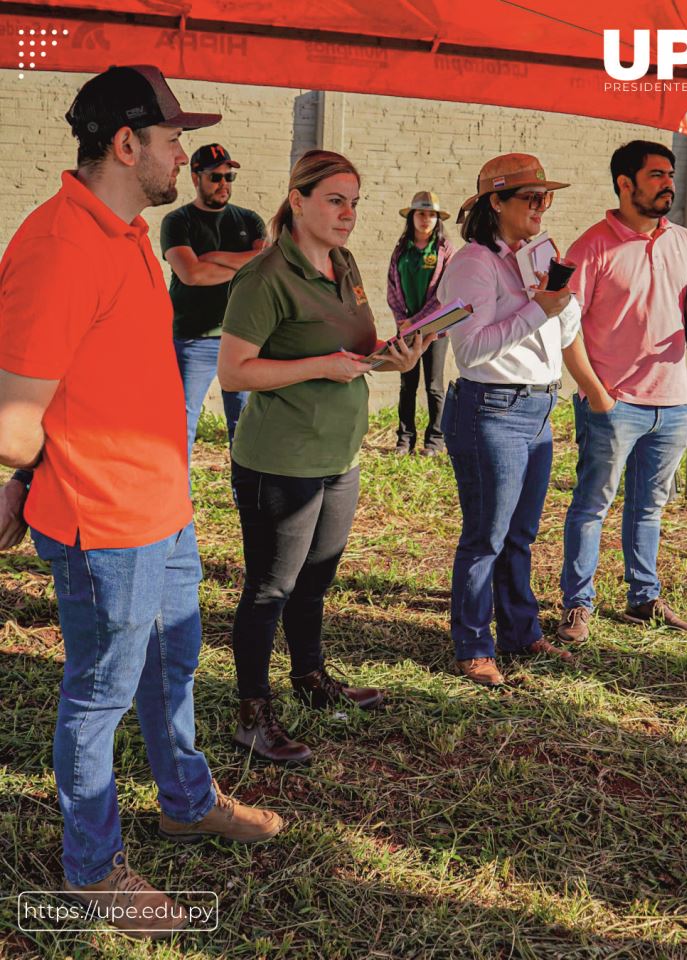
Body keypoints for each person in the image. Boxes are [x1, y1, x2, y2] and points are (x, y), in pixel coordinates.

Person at [0, 65, 283, 940]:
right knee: (98, 695)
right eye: (172, 140)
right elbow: (14, 420)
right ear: (127, 144)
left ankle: (185, 801)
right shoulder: (56, 247)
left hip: (160, 504)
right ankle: (92, 873)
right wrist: (17, 482)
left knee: (173, 665)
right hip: (103, 520)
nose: (184, 156)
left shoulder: (120, 228)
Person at [217, 149, 432, 763]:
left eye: (355, 202)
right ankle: (252, 714)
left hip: (340, 453)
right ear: (298, 199)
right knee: (269, 588)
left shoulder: (342, 262)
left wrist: (396, 356)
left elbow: (357, 346)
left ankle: (310, 680)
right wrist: (321, 366)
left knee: (316, 579)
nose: (348, 215)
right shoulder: (264, 277)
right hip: (280, 460)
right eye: (335, 200)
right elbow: (234, 373)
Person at [556, 140, 687, 644]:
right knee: (592, 505)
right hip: (613, 404)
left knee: (649, 507)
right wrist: (595, 392)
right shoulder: (591, 247)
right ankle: (578, 604)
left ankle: (643, 598)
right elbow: (564, 329)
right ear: (625, 183)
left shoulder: (684, 242)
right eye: (657, 175)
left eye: (670, 175)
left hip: (673, 403)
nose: (669, 183)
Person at [437, 154, 585, 688]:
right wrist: (538, 309)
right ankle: (473, 645)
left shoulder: (534, 258)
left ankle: (522, 633)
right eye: (530, 198)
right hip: (491, 408)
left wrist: (560, 296)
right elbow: (471, 350)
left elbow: (564, 334)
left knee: (519, 534)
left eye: (546, 198)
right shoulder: (474, 263)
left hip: (538, 406)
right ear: (494, 203)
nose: (541, 208)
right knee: (486, 536)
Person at [160, 143, 267, 462]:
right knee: (182, 427)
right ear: (195, 178)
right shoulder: (177, 221)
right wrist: (243, 263)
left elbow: (266, 263)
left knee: (245, 428)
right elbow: (191, 273)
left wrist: (215, 257)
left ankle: (246, 503)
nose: (224, 184)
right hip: (193, 339)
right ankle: (179, 506)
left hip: (241, 339)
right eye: (215, 177)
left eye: (229, 177)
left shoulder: (250, 219)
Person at [387, 191, 455, 455]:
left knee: (434, 386)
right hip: (404, 329)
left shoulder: (444, 250)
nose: (426, 219)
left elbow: (443, 294)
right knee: (407, 384)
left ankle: (434, 441)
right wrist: (402, 321)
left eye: (431, 215)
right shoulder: (401, 249)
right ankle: (405, 439)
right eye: (421, 213)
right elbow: (392, 287)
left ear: (438, 219)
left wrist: (415, 322)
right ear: (412, 217)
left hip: (435, 330)